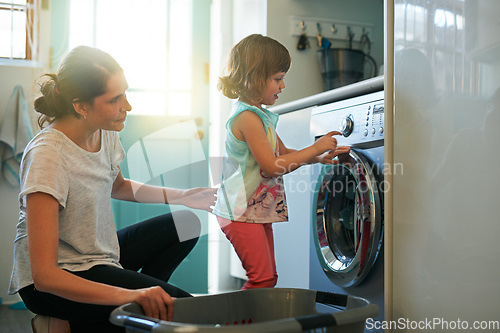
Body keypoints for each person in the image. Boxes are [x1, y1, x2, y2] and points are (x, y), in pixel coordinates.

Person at [8, 46, 216, 333]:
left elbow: (117, 186)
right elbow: (44, 276)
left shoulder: (103, 131)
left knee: (186, 225)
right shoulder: (48, 156)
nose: (127, 106)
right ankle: (129, 310)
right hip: (52, 283)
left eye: (125, 93)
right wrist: (133, 295)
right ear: (81, 106)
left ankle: (129, 314)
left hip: (97, 258)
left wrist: (183, 196)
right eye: (115, 99)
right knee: (182, 308)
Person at [212, 34, 350, 290]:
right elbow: (271, 166)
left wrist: (317, 157)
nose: (283, 85)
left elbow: (282, 152)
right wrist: (313, 148)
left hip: (254, 210)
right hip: (239, 212)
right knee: (262, 279)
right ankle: (233, 327)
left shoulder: (261, 116)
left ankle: (249, 325)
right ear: (254, 77)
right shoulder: (247, 118)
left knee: (268, 278)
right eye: (277, 79)